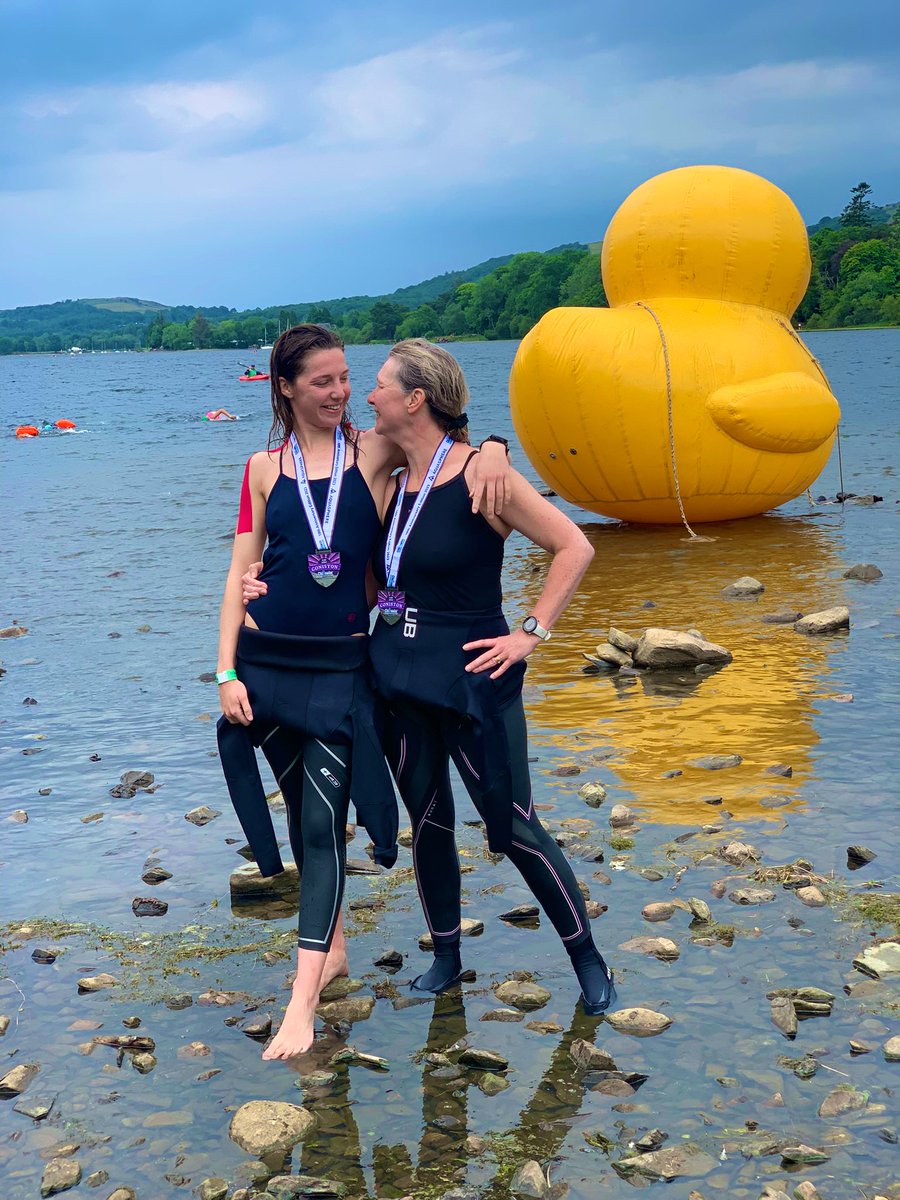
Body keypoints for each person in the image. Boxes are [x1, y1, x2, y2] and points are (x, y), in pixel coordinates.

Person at [218, 324, 511, 1060]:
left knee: (323, 830)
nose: (340, 392)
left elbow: (440, 434)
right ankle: (336, 950)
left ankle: (301, 1000)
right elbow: (239, 573)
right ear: (285, 387)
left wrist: (497, 446)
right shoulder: (258, 469)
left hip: (343, 672)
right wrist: (224, 671)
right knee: (300, 820)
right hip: (267, 663)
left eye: (346, 377)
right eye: (322, 381)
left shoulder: (371, 451)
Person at [365, 339, 616, 1015]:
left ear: (416, 398)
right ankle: (446, 958)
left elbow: (575, 546)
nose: (369, 395)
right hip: (398, 678)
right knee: (430, 821)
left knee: (514, 823)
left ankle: (589, 961)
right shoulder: (388, 478)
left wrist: (529, 634)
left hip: (475, 676)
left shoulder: (485, 477)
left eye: (380, 385)